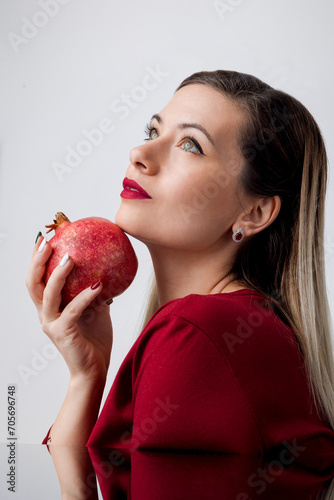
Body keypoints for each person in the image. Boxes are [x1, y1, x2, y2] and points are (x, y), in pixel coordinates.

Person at [26, 70, 334, 482]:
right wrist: (87, 375)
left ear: (254, 213)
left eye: (190, 144)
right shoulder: (240, 327)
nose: (139, 151)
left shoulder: (195, 333)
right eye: (153, 129)